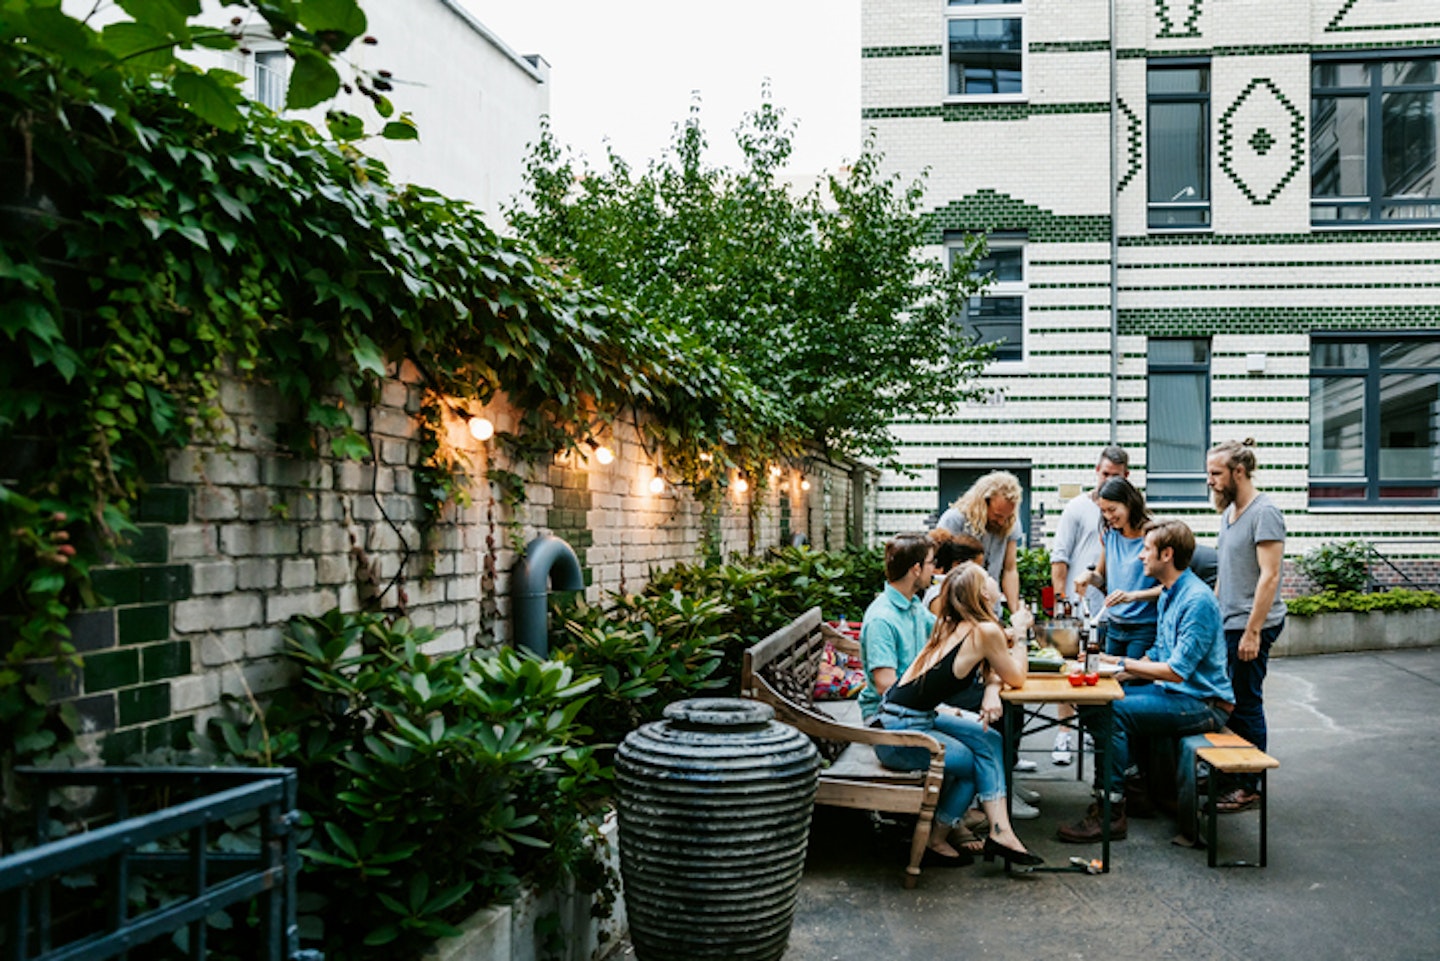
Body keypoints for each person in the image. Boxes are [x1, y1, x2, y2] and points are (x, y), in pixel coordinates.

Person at [1057, 519, 1236, 844]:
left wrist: (1121, 663)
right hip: (1175, 692)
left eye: (1147, 550)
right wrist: (1108, 667)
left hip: (1203, 703)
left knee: (1113, 711)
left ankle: (1111, 810)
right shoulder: (1170, 592)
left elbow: (1176, 671)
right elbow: (1156, 655)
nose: (1140, 557)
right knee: (1096, 701)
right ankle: (1132, 788)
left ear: (1166, 554)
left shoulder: (1196, 600)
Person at [875, 563, 1043, 868]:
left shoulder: (953, 625)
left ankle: (999, 830)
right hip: (899, 734)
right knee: (977, 762)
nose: (994, 578)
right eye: (987, 577)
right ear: (982, 592)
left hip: (902, 716)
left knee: (989, 738)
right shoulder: (984, 631)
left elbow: (993, 666)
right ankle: (937, 837)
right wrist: (1019, 635)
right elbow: (1017, 677)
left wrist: (992, 686)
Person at [1207, 438, 1286, 813]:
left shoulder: (1264, 512)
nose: (1210, 481)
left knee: (1246, 702)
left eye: (1216, 474)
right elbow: (1226, 573)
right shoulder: (1229, 513)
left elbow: (1269, 577)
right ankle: (1230, 773)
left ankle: (1249, 785)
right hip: (1229, 622)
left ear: (1238, 472)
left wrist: (1253, 630)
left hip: (1252, 624)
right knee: (1228, 701)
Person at [1049, 445, 1130, 764]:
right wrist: (1061, 603)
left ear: (1126, 477)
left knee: (1106, 679)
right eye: (1103, 473)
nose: (1106, 480)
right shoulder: (1076, 508)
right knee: (1070, 672)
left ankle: (1103, 746)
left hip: (1114, 611)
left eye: (1114, 475)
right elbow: (1060, 557)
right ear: (1096, 471)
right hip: (1078, 608)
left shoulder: (1127, 511)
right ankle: (1063, 736)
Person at [1073, 476, 1161, 661]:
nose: (1108, 516)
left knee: (1132, 683)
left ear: (1129, 503)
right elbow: (1101, 578)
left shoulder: (1153, 536)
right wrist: (1089, 577)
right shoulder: (1109, 535)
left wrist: (1134, 596)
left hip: (1143, 628)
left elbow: (1169, 586)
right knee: (1110, 681)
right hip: (1114, 626)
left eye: (1112, 510)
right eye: (1103, 511)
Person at [858, 532, 938, 725]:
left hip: (914, 708)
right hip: (888, 717)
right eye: (931, 562)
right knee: (973, 747)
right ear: (916, 569)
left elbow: (944, 631)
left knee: (988, 736)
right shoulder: (882, 619)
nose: (934, 569)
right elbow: (886, 685)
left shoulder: (914, 605)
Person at [937, 471, 1025, 615]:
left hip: (992, 611)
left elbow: (1010, 569)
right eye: (997, 515)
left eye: (1007, 516)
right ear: (983, 503)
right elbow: (940, 570)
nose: (1002, 521)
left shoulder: (1010, 522)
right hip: (960, 611)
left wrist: (1015, 612)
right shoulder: (954, 520)